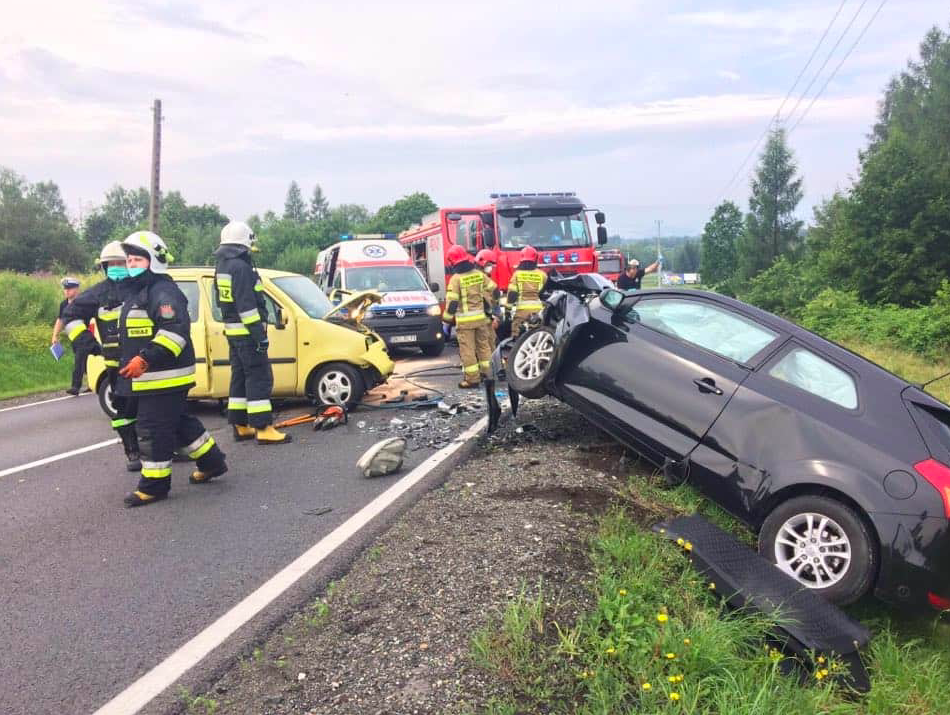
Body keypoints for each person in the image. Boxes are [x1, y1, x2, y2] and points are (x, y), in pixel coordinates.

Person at [117, 230, 227, 507]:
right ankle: (212, 462)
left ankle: (154, 486)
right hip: (153, 377)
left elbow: (174, 332)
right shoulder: (142, 291)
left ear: (154, 261)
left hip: (162, 376)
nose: (131, 266)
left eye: (137, 261)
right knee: (178, 422)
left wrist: (145, 359)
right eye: (129, 260)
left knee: (153, 429)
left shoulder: (163, 292)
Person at [61, 241, 141, 471]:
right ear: (104, 267)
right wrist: (91, 345)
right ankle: (132, 451)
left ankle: (166, 447)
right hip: (117, 365)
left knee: (155, 407)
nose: (116, 267)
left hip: (146, 361)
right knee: (123, 410)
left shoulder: (140, 289)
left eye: (120, 263)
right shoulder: (97, 293)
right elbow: (70, 317)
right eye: (111, 264)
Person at [213, 221, 291, 445]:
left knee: (239, 378)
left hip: (233, 332)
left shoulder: (223, 266)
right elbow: (247, 307)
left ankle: (240, 424)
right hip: (248, 333)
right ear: (244, 245)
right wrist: (260, 336)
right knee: (259, 378)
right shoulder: (241, 268)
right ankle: (263, 428)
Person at [443, 245, 495, 388]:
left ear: (453, 262)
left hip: (465, 323)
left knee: (468, 350)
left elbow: (452, 303)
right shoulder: (479, 274)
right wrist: (491, 308)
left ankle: (472, 380)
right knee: (484, 347)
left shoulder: (456, 279)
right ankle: (489, 375)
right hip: (481, 319)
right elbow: (494, 289)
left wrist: (446, 321)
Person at [52, 277, 91, 395]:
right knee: (85, 362)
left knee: (79, 360)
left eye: (70, 288)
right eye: (65, 289)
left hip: (86, 337)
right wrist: (55, 335)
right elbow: (60, 320)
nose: (67, 291)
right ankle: (94, 383)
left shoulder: (84, 302)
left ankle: (75, 387)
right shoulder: (63, 304)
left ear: (77, 289)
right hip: (73, 338)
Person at [507, 246, 549, 338]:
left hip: (521, 312)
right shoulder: (542, 275)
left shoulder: (517, 274)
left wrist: (508, 309)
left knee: (516, 337)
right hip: (538, 311)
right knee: (537, 337)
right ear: (535, 259)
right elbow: (546, 294)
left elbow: (512, 294)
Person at [474, 249, 502, 350]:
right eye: (489, 265)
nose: (491, 268)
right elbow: (490, 298)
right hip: (484, 317)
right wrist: (495, 316)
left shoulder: (483, 277)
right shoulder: (481, 278)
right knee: (487, 344)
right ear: (482, 262)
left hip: (483, 317)